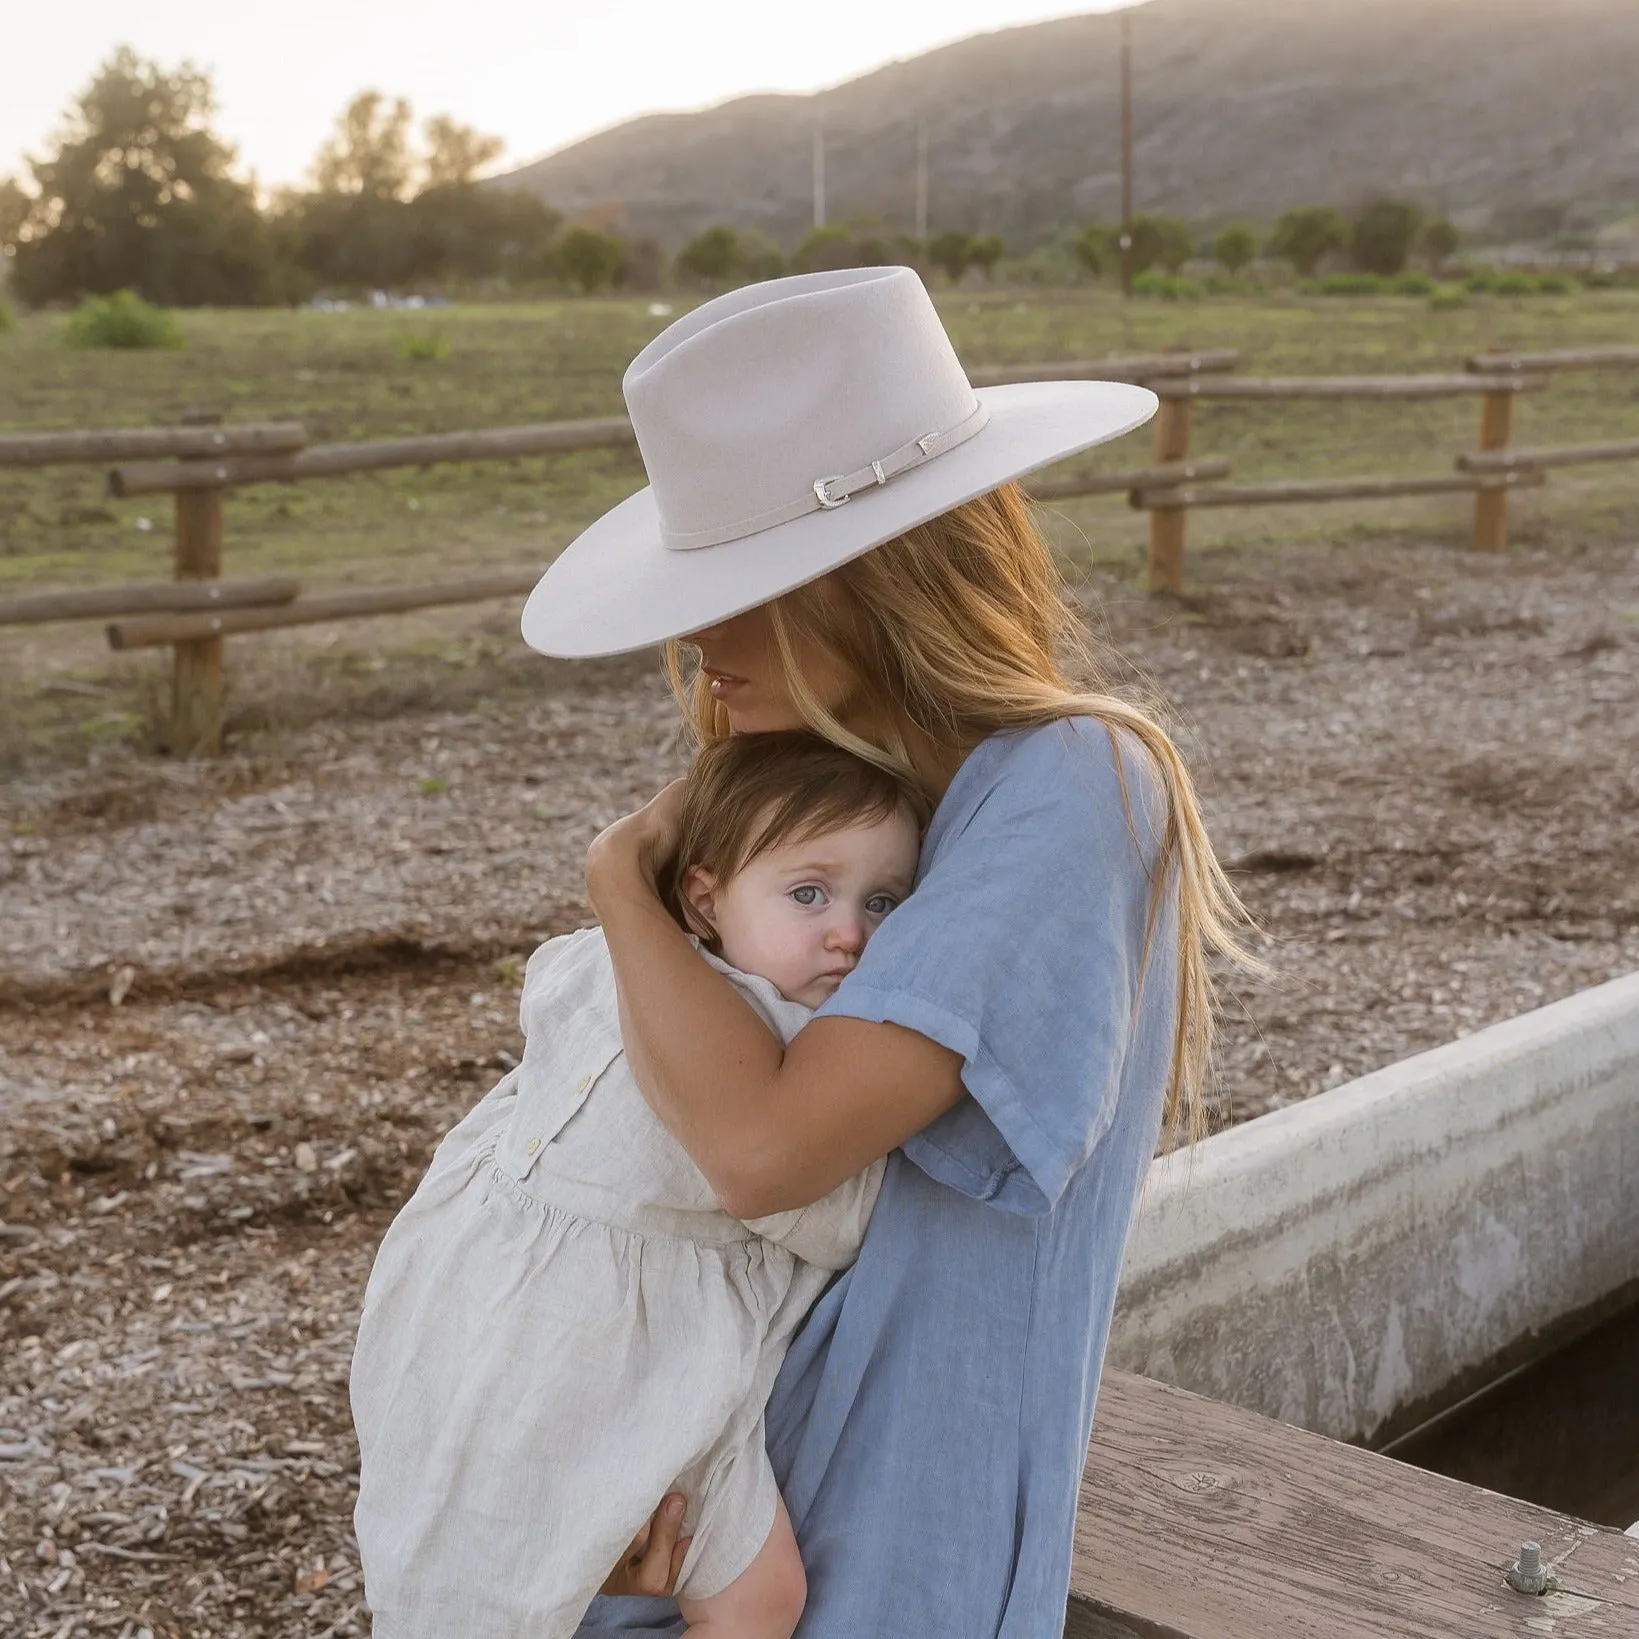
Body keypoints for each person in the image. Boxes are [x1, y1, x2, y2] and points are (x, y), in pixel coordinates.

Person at [515, 266, 1253, 1637]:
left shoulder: (1068, 781)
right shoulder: (865, 810)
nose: (694, 634)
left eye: (740, 584)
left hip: (888, 1543)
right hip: (715, 1525)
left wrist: (619, 886)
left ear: (867, 581)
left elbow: (760, 1148)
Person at [351, 732, 928, 1638]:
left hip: (563, 1306)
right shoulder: (767, 1042)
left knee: (730, 1595)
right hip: (598, 1342)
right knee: (726, 1601)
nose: (849, 932)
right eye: (808, 892)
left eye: (884, 900)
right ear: (704, 899)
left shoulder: (603, 958)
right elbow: (831, 1213)